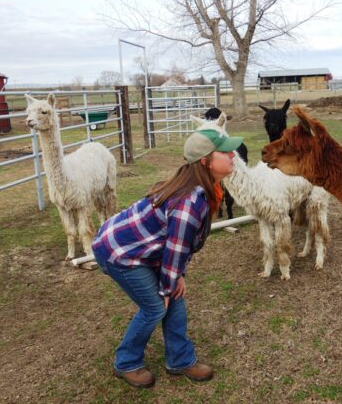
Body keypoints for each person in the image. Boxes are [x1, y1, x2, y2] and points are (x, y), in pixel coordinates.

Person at [92, 128, 243, 388]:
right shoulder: (190, 202)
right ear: (205, 161)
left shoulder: (204, 190)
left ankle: (180, 360)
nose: (233, 154)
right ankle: (126, 362)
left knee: (174, 299)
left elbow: (180, 245)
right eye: (225, 151)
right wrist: (169, 283)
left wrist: (175, 279)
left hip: (141, 250)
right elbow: (175, 248)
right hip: (119, 252)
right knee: (155, 307)